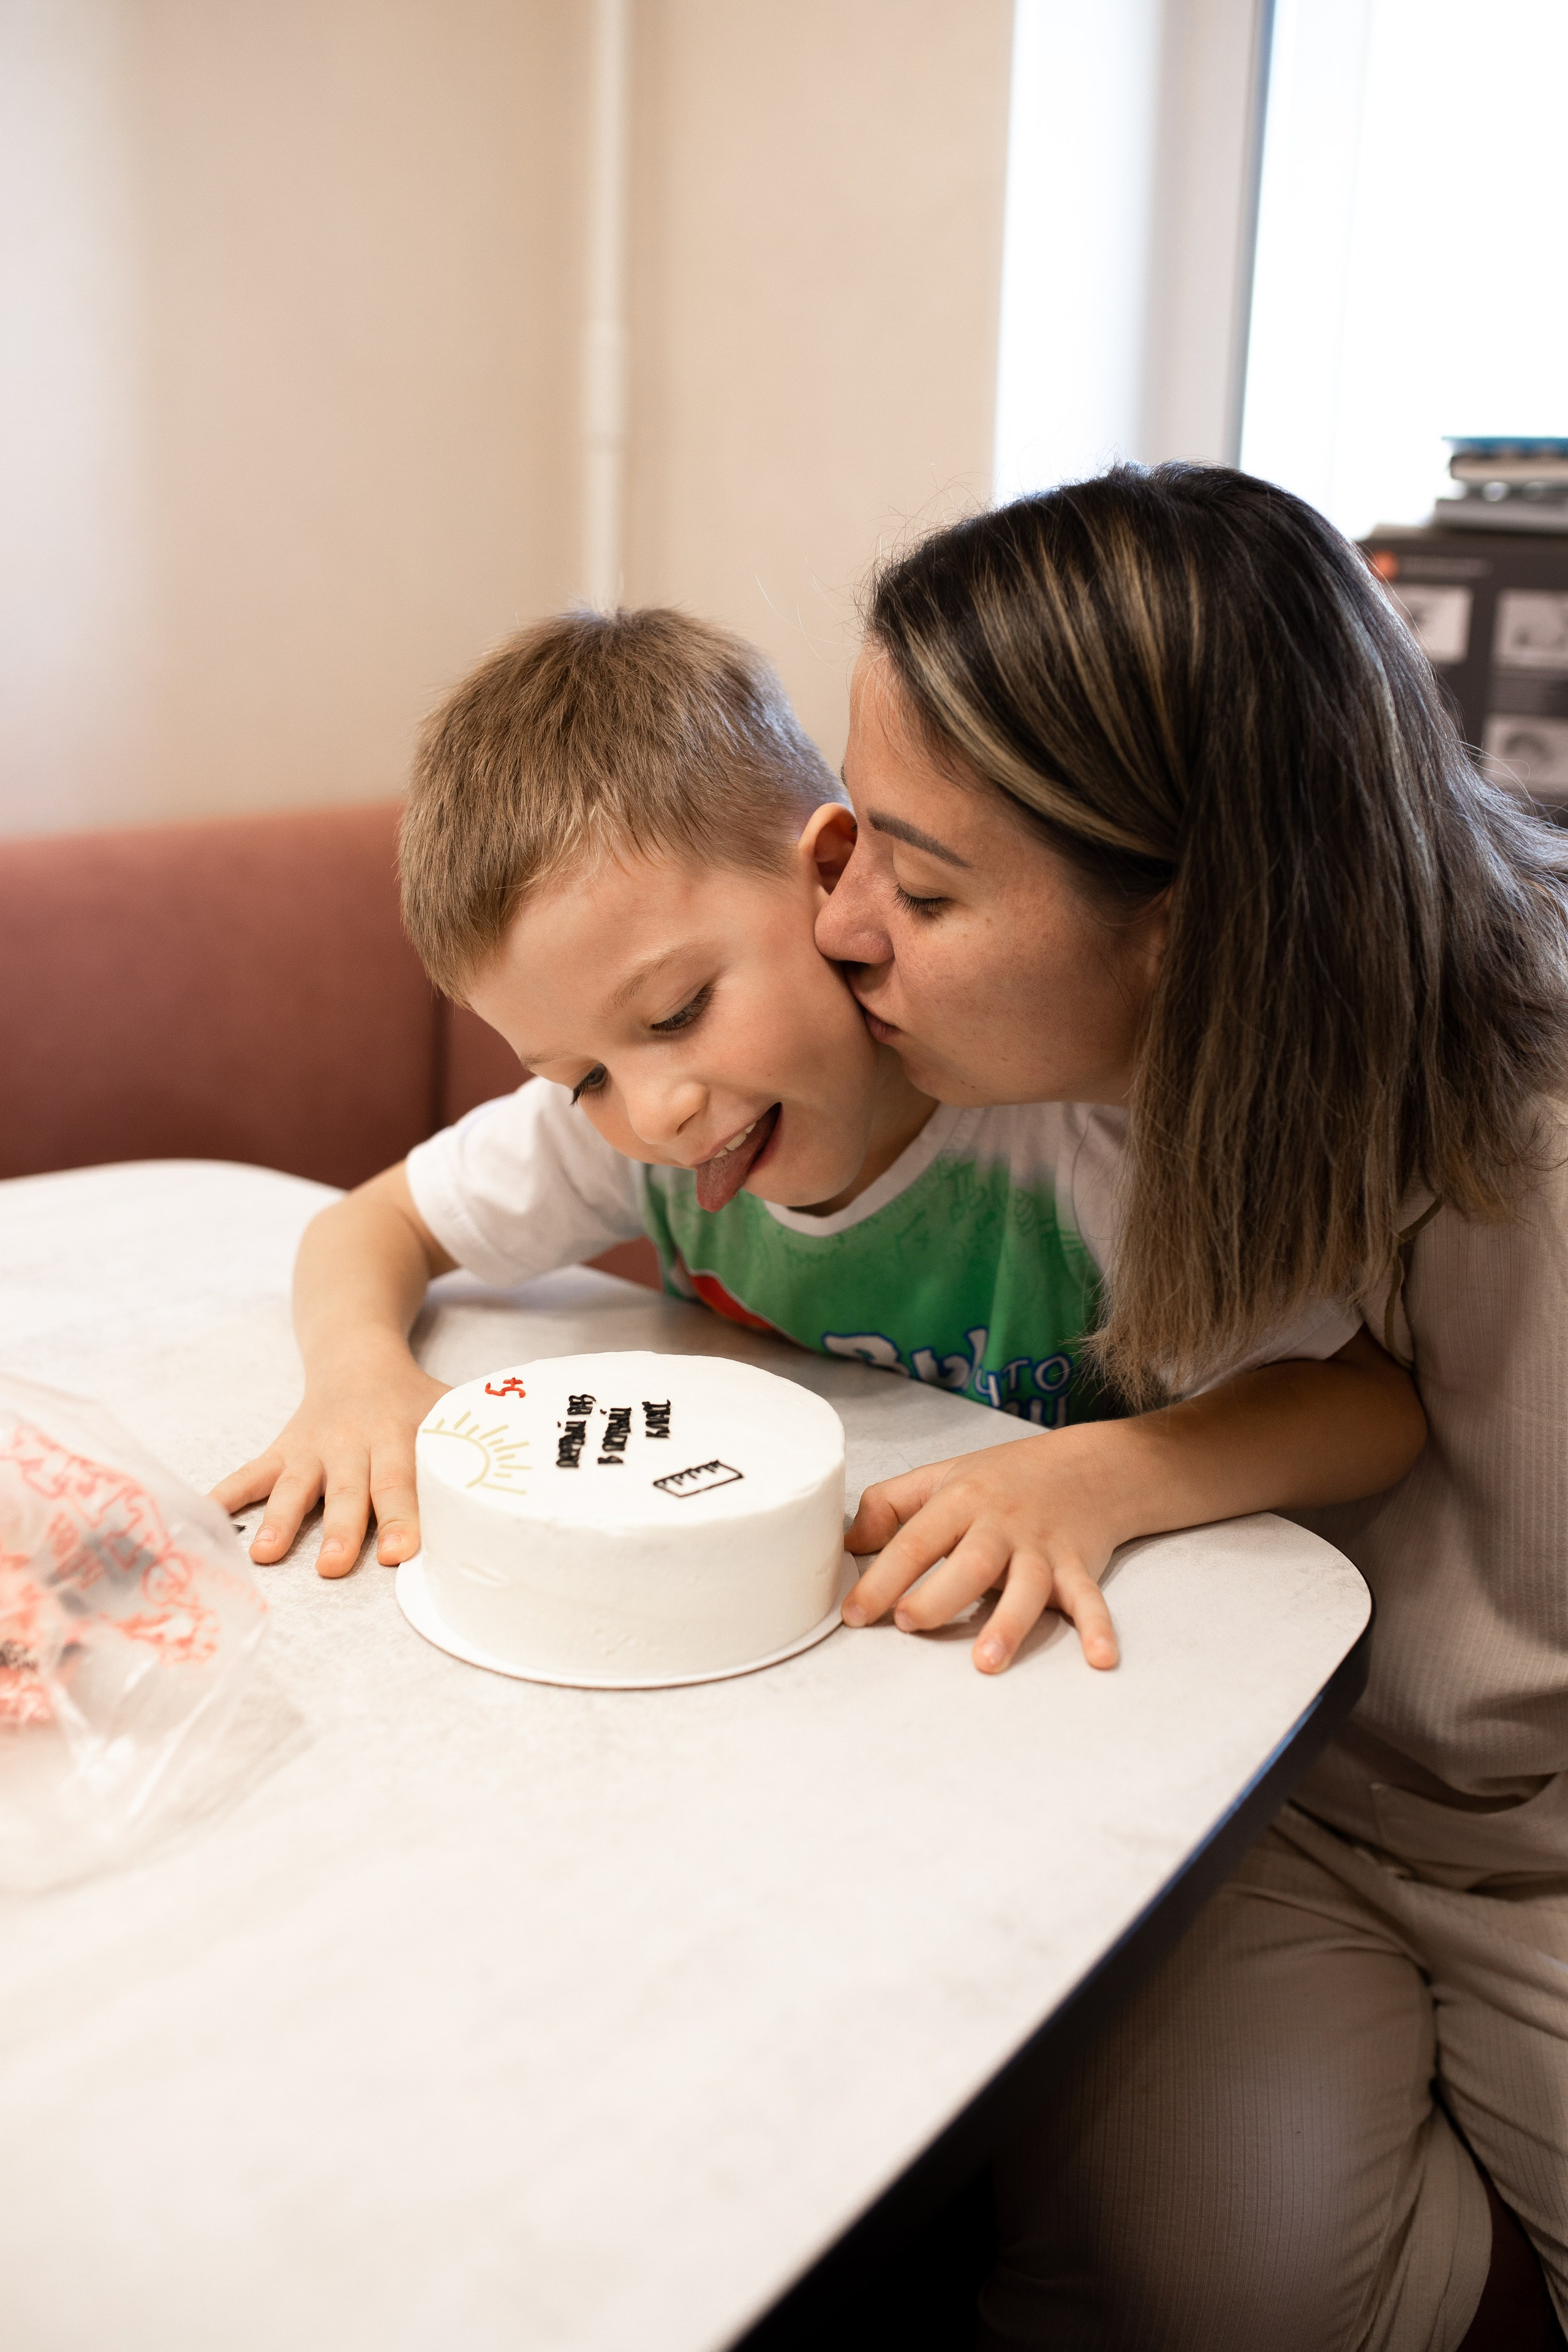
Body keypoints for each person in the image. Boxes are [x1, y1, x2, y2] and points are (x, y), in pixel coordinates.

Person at [813, 464, 1568, 2347]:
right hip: (1285, 1786)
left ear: (1191, 922)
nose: (845, 928)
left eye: (923, 886)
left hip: (1539, 1837)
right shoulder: (1095, 1087)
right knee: (1181, 2272)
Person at [214, 604, 1422, 1677]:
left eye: (678, 1012)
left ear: (835, 878)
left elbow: (1364, 1407)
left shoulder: (1058, 1129)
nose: (653, 1113)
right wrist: (360, 1379)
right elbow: (368, 1223)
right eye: (583, 1078)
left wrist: (1105, 1476)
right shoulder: (628, 1137)